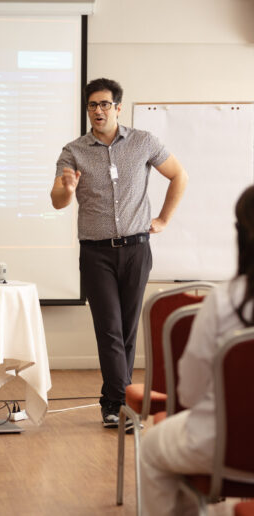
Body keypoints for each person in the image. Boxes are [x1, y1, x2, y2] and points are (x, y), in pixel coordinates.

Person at [50, 78, 188, 429]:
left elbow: (179, 175)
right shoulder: (73, 151)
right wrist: (68, 189)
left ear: (118, 108)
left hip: (136, 248)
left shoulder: (143, 142)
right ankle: (125, 404)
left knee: (126, 329)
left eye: (104, 104)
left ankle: (112, 402)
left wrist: (163, 220)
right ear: (87, 110)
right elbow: (57, 201)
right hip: (96, 253)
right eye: (92, 105)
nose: (98, 111)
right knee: (109, 328)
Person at [140, 184, 254, 515]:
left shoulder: (223, 302)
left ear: (240, 234)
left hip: (223, 445)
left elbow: (188, 393)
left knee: (151, 449)